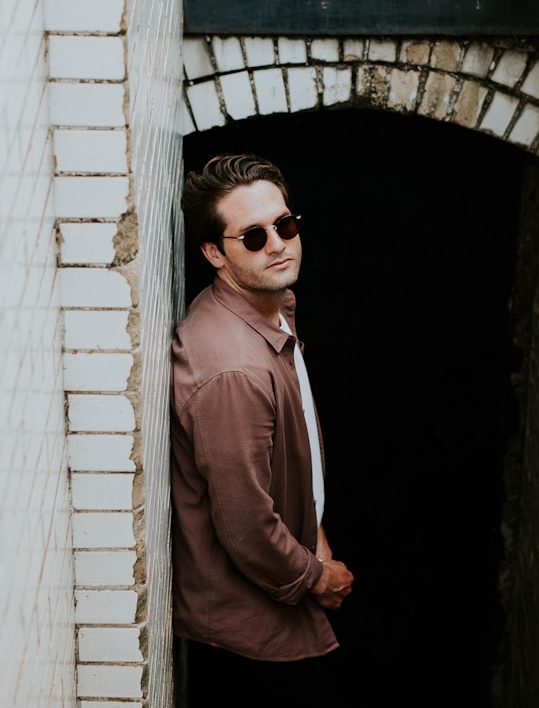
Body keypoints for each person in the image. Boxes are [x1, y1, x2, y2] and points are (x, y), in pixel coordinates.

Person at [169, 153, 355, 708]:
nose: (277, 244)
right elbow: (246, 524)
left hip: (284, 581)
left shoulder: (270, 309)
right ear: (213, 254)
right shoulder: (234, 372)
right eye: (252, 237)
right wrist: (316, 578)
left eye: (285, 225)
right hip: (249, 640)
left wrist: (316, 537)